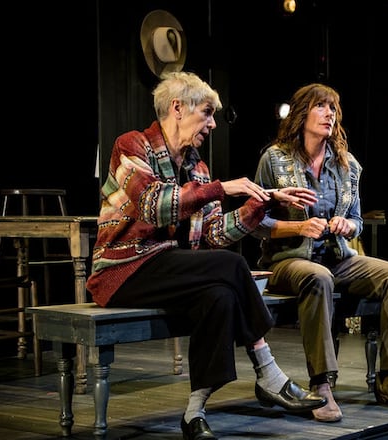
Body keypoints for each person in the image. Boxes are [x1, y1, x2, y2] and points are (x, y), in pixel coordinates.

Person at [86, 71, 327, 440]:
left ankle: (193, 414)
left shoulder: (196, 165)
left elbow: (215, 235)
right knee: (231, 266)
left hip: (168, 269)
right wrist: (221, 188)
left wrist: (260, 204)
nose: (213, 123)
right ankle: (268, 371)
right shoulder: (132, 147)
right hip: (124, 269)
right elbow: (154, 206)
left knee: (221, 295)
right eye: (207, 112)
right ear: (178, 108)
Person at [252, 83, 388, 423]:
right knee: (318, 277)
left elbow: (358, 220)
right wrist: (298, 228)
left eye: (333, 109)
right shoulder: (274, 159)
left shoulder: (347, 165)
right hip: (288, 261)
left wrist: (348, 226)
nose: (330, 114)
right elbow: (255, 221)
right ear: (303, 114)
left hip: (337, 257)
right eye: (321, 106)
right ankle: (323, 384)